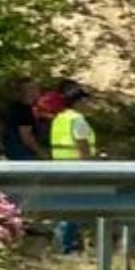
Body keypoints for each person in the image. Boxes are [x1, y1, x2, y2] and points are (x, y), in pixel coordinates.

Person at [48, 81, 96, 254]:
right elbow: (82, 146)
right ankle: (66, 246)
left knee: (65, 209)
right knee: (73, 210)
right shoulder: (77, 120)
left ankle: (62, 244)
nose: (90, 104)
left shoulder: (59, 118)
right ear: (79, 102)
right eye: (86, 101)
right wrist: (92, 166)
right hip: (77, 169)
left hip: (59, 168)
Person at [0, 81, 44, 160]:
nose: (38, 91)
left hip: (13, 152)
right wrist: (41, 153)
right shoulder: (24, 110)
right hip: (23, 154)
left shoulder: (15, 107)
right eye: (34, 88)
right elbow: (26, 137)